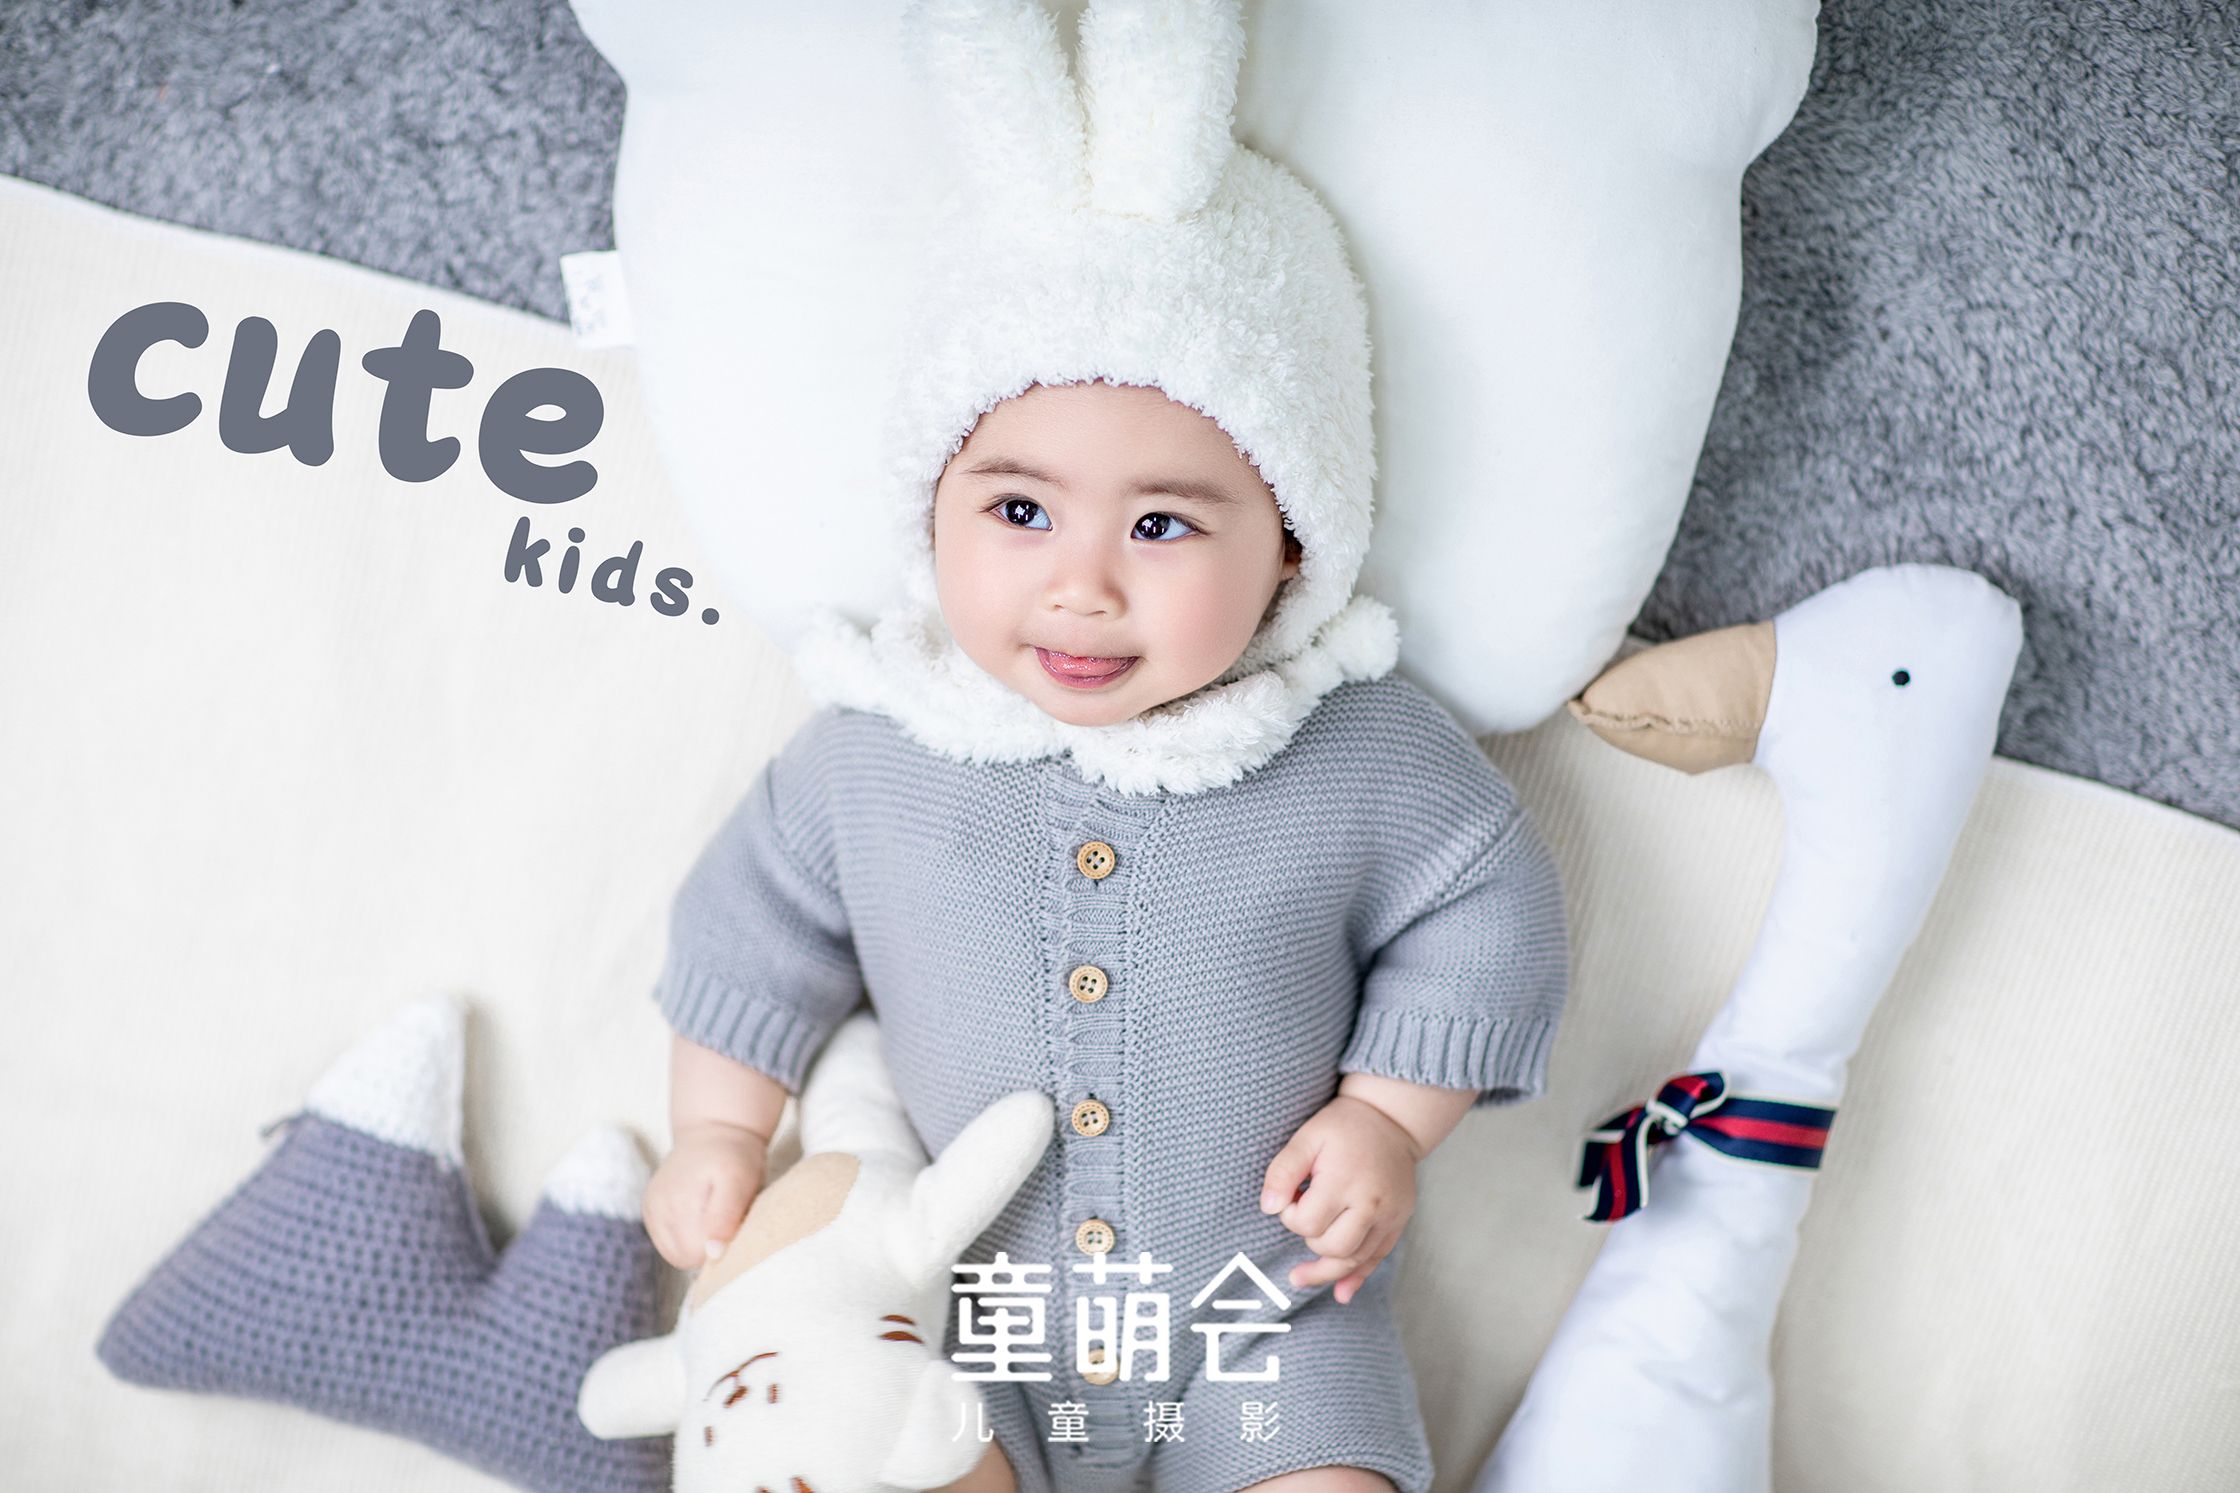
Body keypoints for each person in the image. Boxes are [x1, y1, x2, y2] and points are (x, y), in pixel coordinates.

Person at [639, 3, 1571, 1489]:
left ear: (1291, 541)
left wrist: (1389, 1118)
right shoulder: (873, 751)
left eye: (1163, 526)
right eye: (1019, 511)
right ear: (931, 510)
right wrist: (719, 1132)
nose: (1082, 585)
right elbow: (748, 929)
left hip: (1260, 1310)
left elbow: (1484, 903)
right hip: (959, 1319)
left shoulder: (1361, 752)